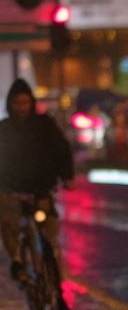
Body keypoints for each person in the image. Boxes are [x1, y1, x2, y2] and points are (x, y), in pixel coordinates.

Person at [0, 79, 75, 287]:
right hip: (13, 190)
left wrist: (67, 177)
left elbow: (62, 149)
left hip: (42, 188)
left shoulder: (45, 125)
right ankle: (16, 260)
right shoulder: (4, 129)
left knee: (50, 227)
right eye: (17, 103)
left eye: (25, 103)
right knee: (9, 221)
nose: (22, 108)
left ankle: (57, 280)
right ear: (10, 104)